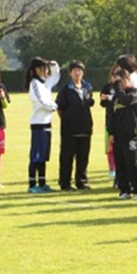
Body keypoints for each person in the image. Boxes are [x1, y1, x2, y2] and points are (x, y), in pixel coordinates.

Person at [55, 61, 94, 191]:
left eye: (80, 70)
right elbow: (59, 108)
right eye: (75, 70)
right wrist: (67, 120)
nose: (78, 73)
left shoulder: (87, 87)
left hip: (85, 128)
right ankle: (65, 183)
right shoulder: (65, 90)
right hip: (69, 130)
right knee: (67, 158)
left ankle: (81, 182)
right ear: (70, 73)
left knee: (83, 157)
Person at [106, 69, 137, 200]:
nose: (118, 84)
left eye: (120, 81)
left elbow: (126, 100)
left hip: (131, 134)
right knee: (120, 163)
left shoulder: (134, 92)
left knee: (132, 163)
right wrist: (110, 132)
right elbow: (111, 115)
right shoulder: (115, 96)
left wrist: (118, 89)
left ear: (127, 80)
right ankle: (124, 189)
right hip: (118, 135)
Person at [25, 58, 60, 193]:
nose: (46, 71)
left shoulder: (46, 83)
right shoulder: (34, 83)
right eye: (43, 68)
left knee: (44, 155)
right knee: (36, 155)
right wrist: (54, 106)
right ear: (36, 70)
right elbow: (40, 101)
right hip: (38, 124)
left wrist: (53, 63)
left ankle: (43, 182)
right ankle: (32, 184)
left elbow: (56, 75)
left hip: (47, 123)